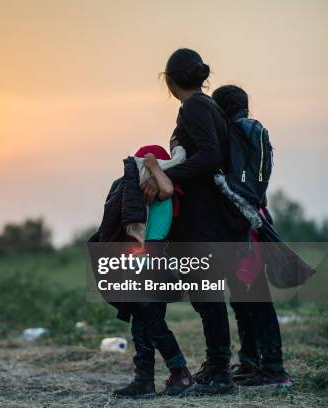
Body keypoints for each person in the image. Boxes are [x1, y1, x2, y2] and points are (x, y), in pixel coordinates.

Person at [141, 48, 250, 396]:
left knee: (207, 296)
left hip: (204, 218)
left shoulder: (196, 107)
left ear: (170, 81)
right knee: (206, 297)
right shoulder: (205, 106)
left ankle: (220, 374)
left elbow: (209, 155)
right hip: (206, 217)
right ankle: (215, 368)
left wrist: (163, 173)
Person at [212, 84, 291, 387]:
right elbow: (256, 183)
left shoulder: (237, 132)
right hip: (253, 223)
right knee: (245, 299)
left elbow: (238, 183)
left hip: (244, 231)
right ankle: (252, 362)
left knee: (254, 300)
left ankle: (272, 368)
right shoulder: (254, 131)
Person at [113, 145, 194, 399]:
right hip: (142, 263)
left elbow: (167, 187)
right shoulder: (145, 193)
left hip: (156, 262)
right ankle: (144, 380)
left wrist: (153, 165)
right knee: (140, 326)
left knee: (154, 323)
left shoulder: (162, 190)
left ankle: (180, 372)